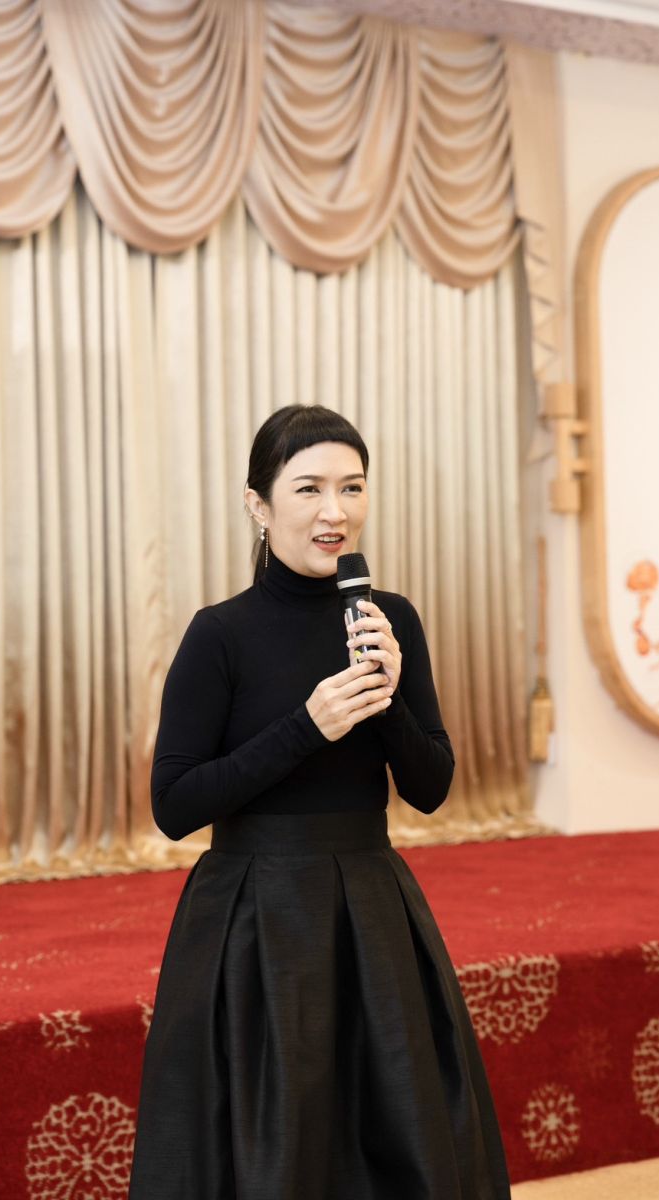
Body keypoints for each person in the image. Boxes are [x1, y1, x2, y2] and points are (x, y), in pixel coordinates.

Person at [128, 405, 511, 1199]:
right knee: (272, 1141)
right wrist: (307, 726)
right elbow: (174, 803)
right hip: (254, 913)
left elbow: (431, 789)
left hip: (371, 905)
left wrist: (388, 694)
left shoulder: (388, 620)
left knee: (393, 1132)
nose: (335, 511)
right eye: (308, 489)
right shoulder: (220, 633)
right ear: (259, 505)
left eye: (352, 487)